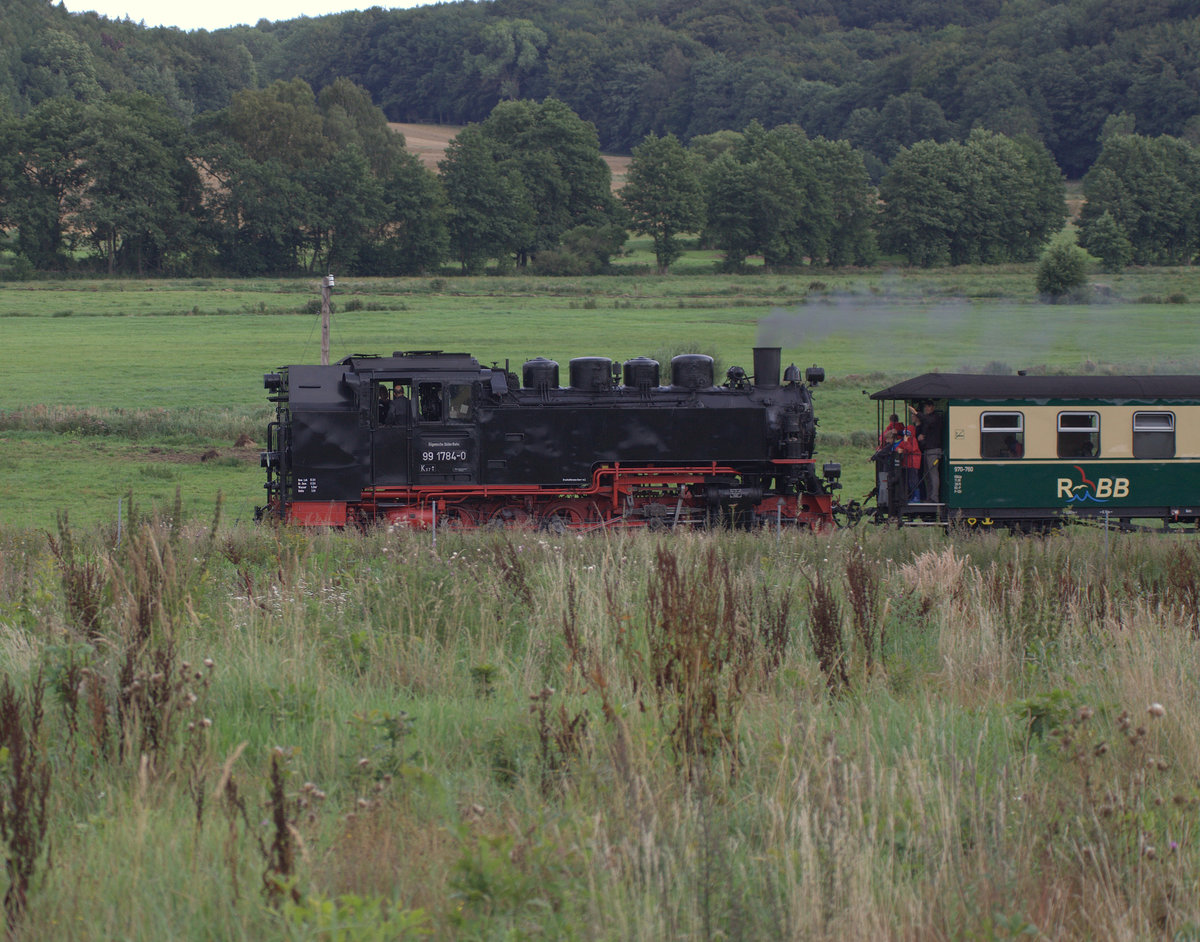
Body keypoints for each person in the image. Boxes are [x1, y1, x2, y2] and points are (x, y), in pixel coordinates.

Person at [911, 400, 944, 502]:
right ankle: (929, 497)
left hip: (934, 450)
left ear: (933, 407)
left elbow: (928, 421)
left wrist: (916, 413)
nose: (926, 408)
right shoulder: (927, 420)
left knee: (933, 474)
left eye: (928, 407)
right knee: (927, 475)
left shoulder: (935, 418)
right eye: (925, 407)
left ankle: (934, 497)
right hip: (927, 450)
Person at [898, 426, 922, 501]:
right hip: (907, 463)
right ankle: (912, 497)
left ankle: (917, 497)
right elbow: (899, 447)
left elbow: (911, 449)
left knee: (913, 481)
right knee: (909, 481)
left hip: (913, 464)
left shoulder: (913, 440)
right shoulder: (906, 440)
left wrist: (905, 442)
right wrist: (899, 449)